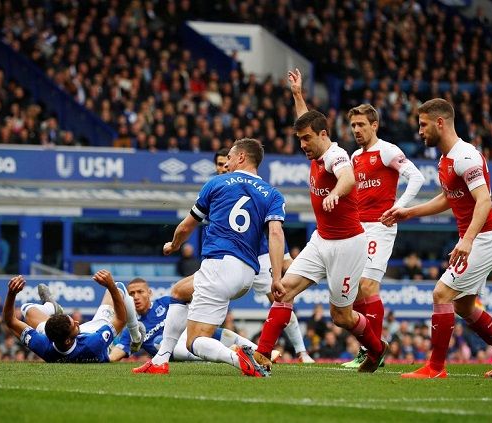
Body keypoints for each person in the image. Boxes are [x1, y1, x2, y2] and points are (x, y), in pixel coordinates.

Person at [254, 69, 388, 373]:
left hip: (348, 245)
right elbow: (307, 121)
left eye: (307, 139)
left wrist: (335, 195)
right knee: (283, 289)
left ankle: (377, 349)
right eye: (300, 139)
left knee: (341, 317)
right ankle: (262, 354)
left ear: (324, 136)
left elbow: (348, 177)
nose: (303, 144)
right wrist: (297, 94)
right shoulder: (316, 149)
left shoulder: (335, 156)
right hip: (322, 240)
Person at [382, 98, 492, 378]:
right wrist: (408, 212)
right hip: (478, 238)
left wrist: (468, 240)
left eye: (423, 125)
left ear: (440, 123)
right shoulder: (445, 159)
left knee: (441, 293)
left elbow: (484, 200)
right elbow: (449, 198)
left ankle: (435, 367)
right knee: (463, 305)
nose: (420, 131)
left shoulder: (465, 156)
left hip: (485, 239)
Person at [133, 138, 286, 377]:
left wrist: (173, 245)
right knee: (179, 291)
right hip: (247, 274)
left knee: (194, 341)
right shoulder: (272, 194)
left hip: (219, 266)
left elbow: (186, 226)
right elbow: (276, 233)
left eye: (231, 158)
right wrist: (276, 277)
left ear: (242, 157)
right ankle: (160, 359)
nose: (228, 163)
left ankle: (239, 358)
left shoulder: (218, 183)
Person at [341, 103, 425, 368]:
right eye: (353, 125)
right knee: (352, 294)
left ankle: (372, 352)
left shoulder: (388, 150)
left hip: (380, 226)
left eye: (361, 124)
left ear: (374, 125)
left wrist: (400, 206)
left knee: (368, 286)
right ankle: (370, 350)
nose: (356, 129)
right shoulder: (355, 156)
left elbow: (417, 177)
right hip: (357, 227)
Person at [109, 277, 275, 362]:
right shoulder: (133, 328)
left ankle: (262, 352)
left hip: (191, 335)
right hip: (179, 352)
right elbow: (114, 356)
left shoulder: (166, 303)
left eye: (140, 292)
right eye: (131, 294)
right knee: (169, 345)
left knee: (214, 332)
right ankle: (231, 354)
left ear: (149, 292)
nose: (136, 297)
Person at [2, 270, 142, 363]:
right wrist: (110, 286)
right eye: (74, 324)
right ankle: (136, 338)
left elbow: (10, 321)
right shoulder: (94, 342)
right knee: (119, 287)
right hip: (95, 331)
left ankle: (52, 308)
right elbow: (121, 319)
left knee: (27, 309)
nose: (77, 321)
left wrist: (11, 294)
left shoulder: (43, 345)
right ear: (69, 340)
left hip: (63, 338)